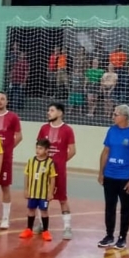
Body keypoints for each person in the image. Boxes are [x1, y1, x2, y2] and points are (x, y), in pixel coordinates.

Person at [97, 104, 129, 250]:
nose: (113, 116)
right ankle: (109, 235)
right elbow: (105, 152)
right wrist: (101, 172)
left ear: (124, 116)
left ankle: (122, 237)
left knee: (125, 209)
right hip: (110, 175)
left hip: (125, 177)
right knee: (109, 207)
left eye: (115, 114)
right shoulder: (111, 130)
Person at [38, 103, 77, 240]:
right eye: (48, 110)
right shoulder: (44, 128)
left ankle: (67, 227)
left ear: (60, 113)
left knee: (62, 199)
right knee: (43, 197)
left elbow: (72, 151)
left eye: (52, 110)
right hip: (44, 170)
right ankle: (42, 224)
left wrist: (60, 161)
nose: (48, 112)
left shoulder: (67, 130)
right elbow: (39, 148)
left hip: (59, 171)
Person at [0, 92, 23, 229]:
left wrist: (8, 149)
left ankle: (5, 218)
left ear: (7, 101)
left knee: (5, 187)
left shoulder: (13, 117)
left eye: (2, 99)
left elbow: (19, 136)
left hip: (5, 158)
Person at [20, 139, 58, 241]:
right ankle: (29, 229)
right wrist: (26, 189)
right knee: (31, 209)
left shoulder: (50, 163)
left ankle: (45, 231)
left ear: (46, 150)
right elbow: (27, 175)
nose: (37, 150)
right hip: (32, 192)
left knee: (44, 211)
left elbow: (52, 178)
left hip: (43, 193)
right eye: (37, 148)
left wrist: (50, 193)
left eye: (40, 148)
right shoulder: (31, 161)